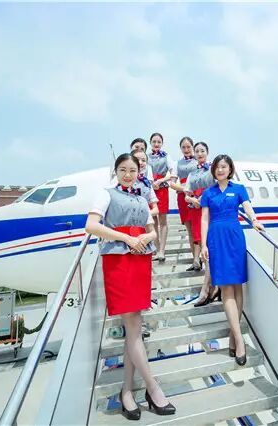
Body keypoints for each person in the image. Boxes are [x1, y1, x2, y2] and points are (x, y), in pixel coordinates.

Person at [85, 153, 175, 420]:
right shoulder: (106, 194)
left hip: (140, 259)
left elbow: (153, 231)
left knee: (134, 329)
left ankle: (126, 391)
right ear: (116, 171)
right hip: (118, 261)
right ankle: (152, 387)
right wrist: (127, 238)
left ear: (139, 173)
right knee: (134, 326)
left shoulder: (142, 198)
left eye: (132, 170)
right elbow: (91, 225)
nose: (128, 174)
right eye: (123, 169)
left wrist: (145, 238)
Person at [200, 154, 264, 366]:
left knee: (237, 287)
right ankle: (239, 341)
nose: (220, 170)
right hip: (216, 239)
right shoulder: (208, 193)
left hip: (235, 237)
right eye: (217, 167)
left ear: (230, 169)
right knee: (226, 288)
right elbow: (204, 219)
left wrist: (254, 220)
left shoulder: (239, 189)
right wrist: (203, 245)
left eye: (224, 167)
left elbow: (247, 207)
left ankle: (232, 336)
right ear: (213, 170)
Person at [184, 142, 215, 284]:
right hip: (196, 210)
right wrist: (192, 199)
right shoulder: (192, 174)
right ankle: (208, 282)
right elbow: (186, 195)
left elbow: (217, 187)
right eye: (197, 151)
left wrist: (203, 198)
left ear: (207, 152)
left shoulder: (213, 170)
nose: (199, 153)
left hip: (210, 209)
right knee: (201, 242)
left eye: (202, 150)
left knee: (211, 242)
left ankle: (211, 282)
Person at [168, 137, 199, 271]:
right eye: (183, 147)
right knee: (190, 230)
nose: (186, 150)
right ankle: (195, 259)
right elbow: (172, 183)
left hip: (197, 196)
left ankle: (200, 258)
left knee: (199, 228)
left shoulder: (199, 161)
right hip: (183, 198)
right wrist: (186, 189)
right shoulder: (177, 164)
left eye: (188, 147)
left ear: (192, 147)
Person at [148, 133, 176, 261]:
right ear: (150, 142)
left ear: (162, 143)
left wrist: (160, 181)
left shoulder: (166, 156)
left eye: (159, 142)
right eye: (154, 141)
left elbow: (172, 173)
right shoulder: (147, 157)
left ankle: (162, 251)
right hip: (150, 190)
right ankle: (157, 248)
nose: (156, 144)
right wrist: (151, 183)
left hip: (162, 189)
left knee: (163, 220)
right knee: (153, 221)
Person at [131, 149, 159, 218]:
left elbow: (156, 210)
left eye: (143, 160)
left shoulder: (146, 183)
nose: (140, 162)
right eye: (137, 159)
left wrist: (143, 214)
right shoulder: (124, 181)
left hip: (144, 219)